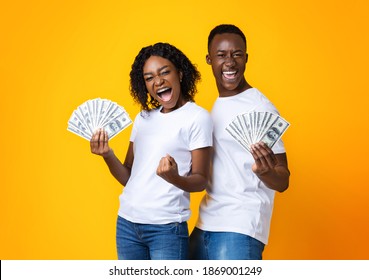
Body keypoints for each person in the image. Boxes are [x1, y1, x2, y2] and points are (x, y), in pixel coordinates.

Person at [90, 42, 213, 260]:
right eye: (149, 78)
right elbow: (129, 176)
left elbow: (201, 180)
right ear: (144, 85)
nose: (158, 81)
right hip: (127, 224)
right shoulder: (143, 118)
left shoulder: (197, 117)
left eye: (165, 72)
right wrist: (107, 155)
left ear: (181, 74)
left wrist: (174, 177)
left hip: (166, 229)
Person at [189, 24, 290, 260]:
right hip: (206, 221)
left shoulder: (260, 107)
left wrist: (265, 172)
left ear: (246, 58)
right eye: (221, 55)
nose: (230, 62)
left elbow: (283, 179)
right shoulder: (216, 106)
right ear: (209, 59)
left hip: (240, 225)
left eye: (237, 54)